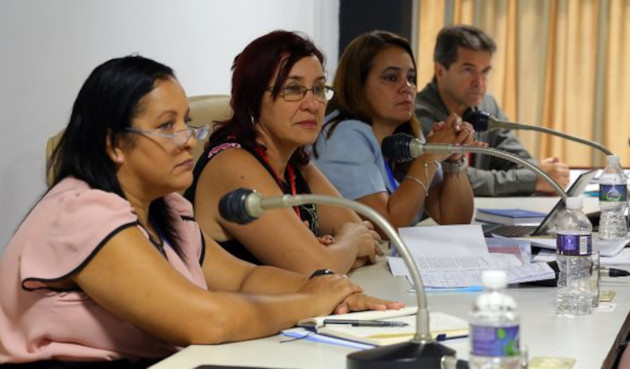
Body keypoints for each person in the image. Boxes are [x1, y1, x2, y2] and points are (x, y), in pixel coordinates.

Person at [0, 55, 402, 367]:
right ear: (114, 144)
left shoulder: (166, 206)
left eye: (187, 123)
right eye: (165, 126)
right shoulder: (81, 212)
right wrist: (311, 302)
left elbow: (243, 278)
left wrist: (334, 292)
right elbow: (204, 320)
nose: (187, 141)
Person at [185, 31, 382, 275]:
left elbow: (365, 237)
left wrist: (336, 251)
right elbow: (321, 267)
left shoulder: (294, 162)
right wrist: (344, 246)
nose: (312, 104)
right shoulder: (232, 164)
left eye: (319, 88)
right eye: (293, 89)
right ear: (253, 98)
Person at [312, 30, 476, 230]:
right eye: (391, 77)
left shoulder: (408, 135)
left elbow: (455, 221)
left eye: (411, 78)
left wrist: (454, 157)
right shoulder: (343, 136)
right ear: (358, 85)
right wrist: (430, 155)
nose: (406, 87)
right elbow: (386, 227)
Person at [415, 24, 570, 197]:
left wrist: (541, 172)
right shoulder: (418, 115)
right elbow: (451, 178)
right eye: (468, 70)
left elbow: (518, 161)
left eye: (485, 72)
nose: (479, 83)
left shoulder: (488, 106)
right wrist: (533, 179)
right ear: (440, 71)